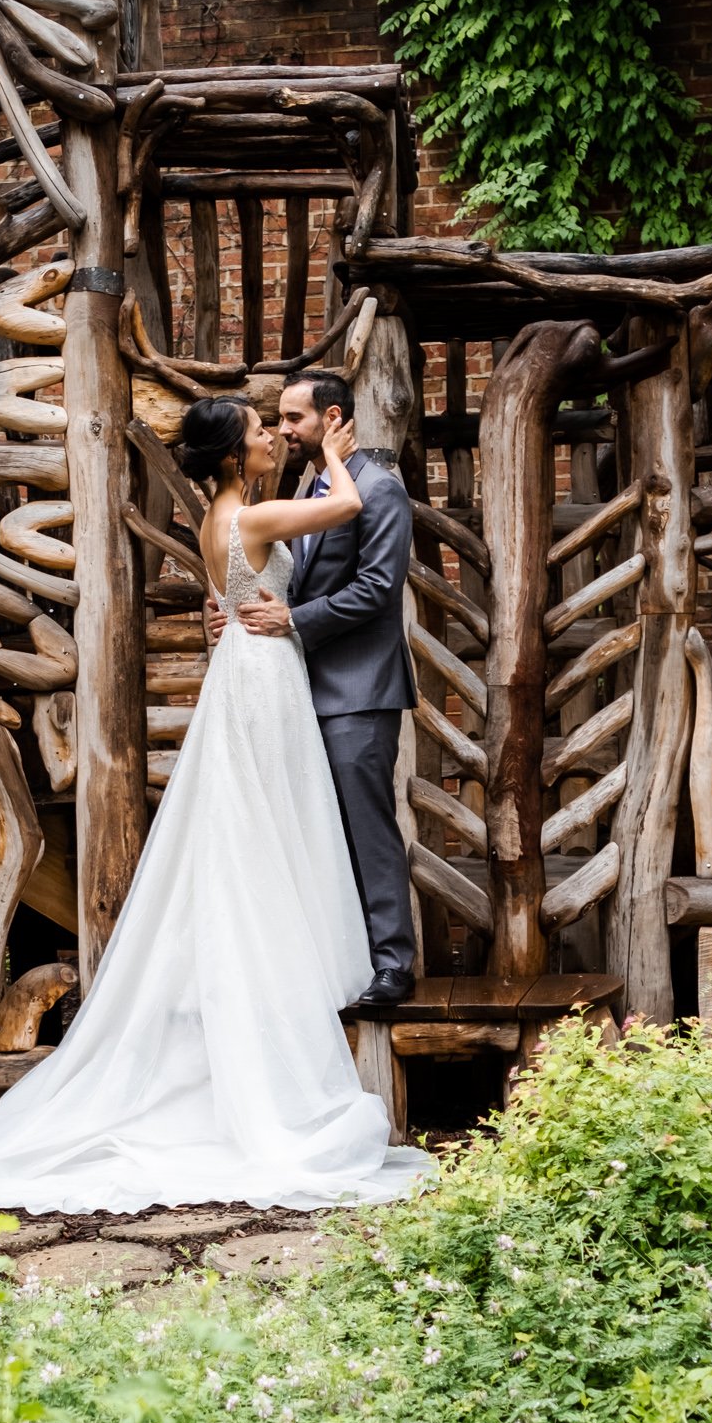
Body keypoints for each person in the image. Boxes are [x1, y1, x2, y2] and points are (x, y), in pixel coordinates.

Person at [0, 393, 433, 1215]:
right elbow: (346, 504)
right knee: (264, 828)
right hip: (263, 682)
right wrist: (334, 449)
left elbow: (259, 575)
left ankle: (289, 973)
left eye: (282, 423)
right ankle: (271, 988)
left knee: (263, 827)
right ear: (232, 457)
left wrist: (229, 606)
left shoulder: (236, 512)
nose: (274, 437)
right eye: (264, 432)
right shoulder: (253, 515)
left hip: (260, 673)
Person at [209, 370, 418, 1007]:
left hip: (359, 691)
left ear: (330, 419)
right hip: (299, 689)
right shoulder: (309, 487)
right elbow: (284, 575)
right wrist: (235, 605)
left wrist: (292, 619)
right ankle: (341, 963)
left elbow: (378, 591)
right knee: (318, 832)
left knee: (366, 824)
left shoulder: (380, 492)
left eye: (293, 418)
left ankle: (393, 966)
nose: (281, 430)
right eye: (275, 421)